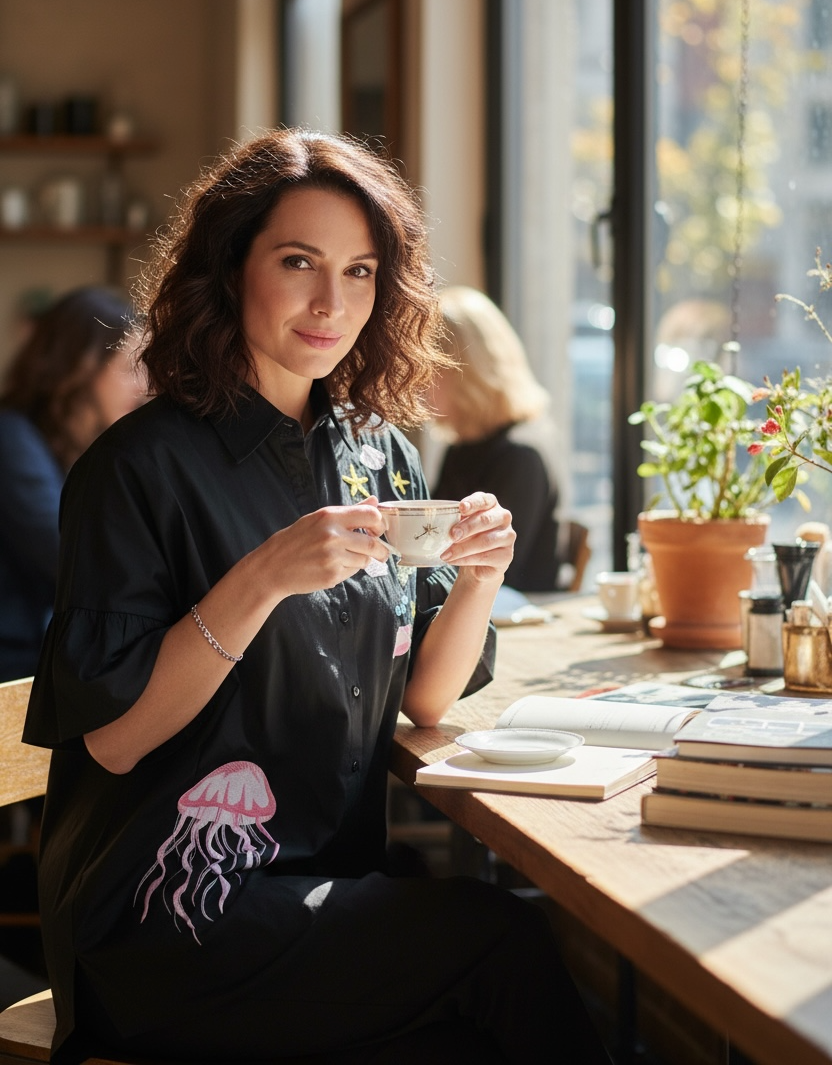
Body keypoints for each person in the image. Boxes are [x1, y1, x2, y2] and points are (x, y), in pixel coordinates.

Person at [23, 129, 611, 1065]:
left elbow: (423, 697)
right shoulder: (137, 469)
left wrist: (479, 577)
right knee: (505, 944)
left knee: (477, 1011)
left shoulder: (378, 452)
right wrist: (260, 577)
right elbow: (118, 736)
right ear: (230, 268)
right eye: (299, 261)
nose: (331, 301)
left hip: (321, 879)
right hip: (165, 919)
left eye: (362, 270)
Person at [0, 286, 147, 682]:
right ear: (82, 366)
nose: (144, 384)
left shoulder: (85, 448)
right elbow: (70, 560)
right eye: (129, 367)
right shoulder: (11, 439)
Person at [430, 285, 563, 592]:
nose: (412, 378)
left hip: (515, 621)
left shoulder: (521, 455)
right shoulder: (459, 448)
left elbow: (499, 574)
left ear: (465, 371)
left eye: (430, 367)